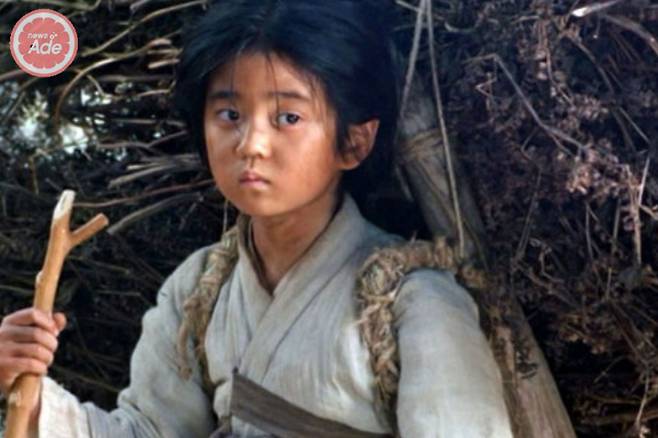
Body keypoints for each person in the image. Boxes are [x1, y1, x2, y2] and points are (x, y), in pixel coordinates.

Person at [0, 0, 514, 436]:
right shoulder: (198, 293)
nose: (251, 144)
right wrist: (28, 390)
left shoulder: (413, 303)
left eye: (288, 117)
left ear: (354, 142)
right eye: (230, 115)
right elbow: (147, 431)